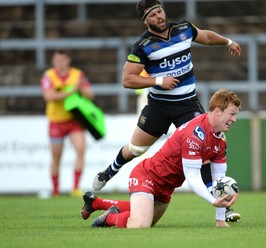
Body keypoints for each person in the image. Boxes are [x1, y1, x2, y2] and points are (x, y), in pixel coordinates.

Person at [91, 0, 242, 221]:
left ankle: (223, 209)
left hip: (187, 104)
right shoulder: (142, 46)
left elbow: (206, 36)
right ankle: (109, 172)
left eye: (160, 11)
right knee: (135, 149)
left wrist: (228, 41)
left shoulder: (183, 29)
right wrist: (159, 80)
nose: (159, 17)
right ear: (145, 21)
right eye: (153, 15)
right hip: (159, 106)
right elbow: (127, 79)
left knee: (205, 155)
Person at [83, 89, 241, 228]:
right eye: (231, 114)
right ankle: (108, 218)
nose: (234, 119)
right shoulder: (195, 133)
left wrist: (220, 220)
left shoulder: (220, 140)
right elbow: (192, 177)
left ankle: (97, 203)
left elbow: (219, 179)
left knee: (145, 217)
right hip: (147, 176)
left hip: (166, 190)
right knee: (139, 224)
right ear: (218, 111)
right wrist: (212, 200)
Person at [41, 50, 94, 197]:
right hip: (56, 120)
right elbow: (49, 96)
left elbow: (90, 94)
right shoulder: (49, 75)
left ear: (68, 60)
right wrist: (72, 91)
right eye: (57, 60)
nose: (60, 63)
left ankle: (75, 188)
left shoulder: (78, 74)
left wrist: (82, 89)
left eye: (62, 60)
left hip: (74, 120)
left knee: (81, 149)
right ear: (53, 61)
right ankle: (56, 190)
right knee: (56, 156)